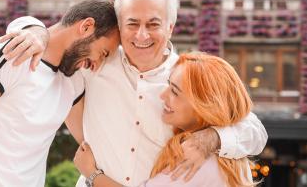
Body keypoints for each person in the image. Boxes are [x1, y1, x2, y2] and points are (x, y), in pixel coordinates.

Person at [5, 0, 268, 186]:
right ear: (119, 26)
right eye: (132, 24)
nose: (142, 36)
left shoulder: (186, 78)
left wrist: (210, 138)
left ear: (170, 27)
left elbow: (255, 132)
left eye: (153, 24)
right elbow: (59, 34)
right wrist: (35, 31)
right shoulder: (95, 62)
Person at [0, 0, 120, 187]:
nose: (97, 64)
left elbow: (91, 141)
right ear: (87, 27)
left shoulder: (73, 82)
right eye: (103, 53)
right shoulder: (16, 53)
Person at [73, 52, 255, 187]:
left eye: (175, 92)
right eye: (169, 85)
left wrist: (92, 174)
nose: (162, 95)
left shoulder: (196, 157)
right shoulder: (231, 154)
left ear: (204, 106)